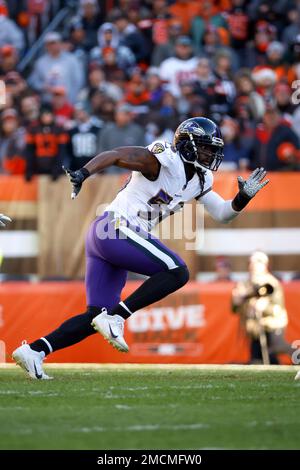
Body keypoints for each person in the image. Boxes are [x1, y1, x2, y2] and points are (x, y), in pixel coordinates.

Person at [12, 116, 269, 379]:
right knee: (177, 271)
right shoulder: (162, 159)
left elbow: (223, 213)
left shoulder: (200, 179)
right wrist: (84, 173)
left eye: (212, 150)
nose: (209, 154)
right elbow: (116, 155)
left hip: (110, 237)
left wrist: (242, 198)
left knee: (96, 315)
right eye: (204, 147)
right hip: (115, 228)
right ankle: (118, 318)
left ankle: (34, 351)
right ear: (186, 145)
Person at [232, 251, 294, 364]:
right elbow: (234, 309)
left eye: (257, 262)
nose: (253, 265)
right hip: (254, 330)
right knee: (257, 361)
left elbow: (277, 309)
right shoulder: (245, 284)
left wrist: (264, 307)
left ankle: (297, 355)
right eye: (251, 262)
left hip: (272, 327)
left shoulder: (272, 283)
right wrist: (237, 301)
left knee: (276, 349)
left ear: (265, 265)